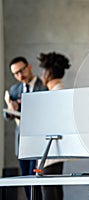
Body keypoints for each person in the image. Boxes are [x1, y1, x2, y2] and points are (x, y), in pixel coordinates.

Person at [4, 56, 47, 200]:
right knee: (26, 180)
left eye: (21, 70)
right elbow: (7, 115)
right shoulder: (14, 89)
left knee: (38, 181)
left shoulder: (43, 85)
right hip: (22, 141)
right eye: (16, 73)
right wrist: (12, 109)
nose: (20, 75)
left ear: (29, 67)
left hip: (40, 140)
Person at [37, 51, 71, 200]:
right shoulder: (57, 91)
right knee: (54, 186)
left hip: (50, 149)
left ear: (48, 73)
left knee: (48, 187)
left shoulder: (55, 94)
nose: (41, 75)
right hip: (53, 150)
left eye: (43, 71)